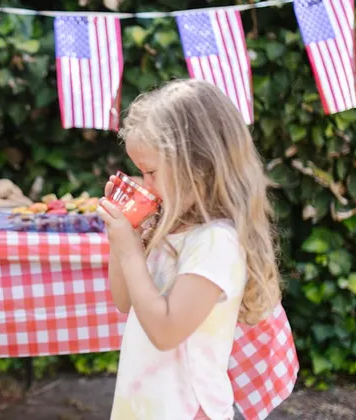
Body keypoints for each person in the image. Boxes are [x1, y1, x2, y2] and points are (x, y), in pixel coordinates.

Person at [97, 79, 281, 420]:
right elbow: (125, 301)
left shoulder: (216, 242)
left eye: (150, 172)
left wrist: (129, 251)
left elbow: (166, 331)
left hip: (187, 409)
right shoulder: (172, 227)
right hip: (145, 403)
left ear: (199, 165)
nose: (144, 184)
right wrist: (125, 235)